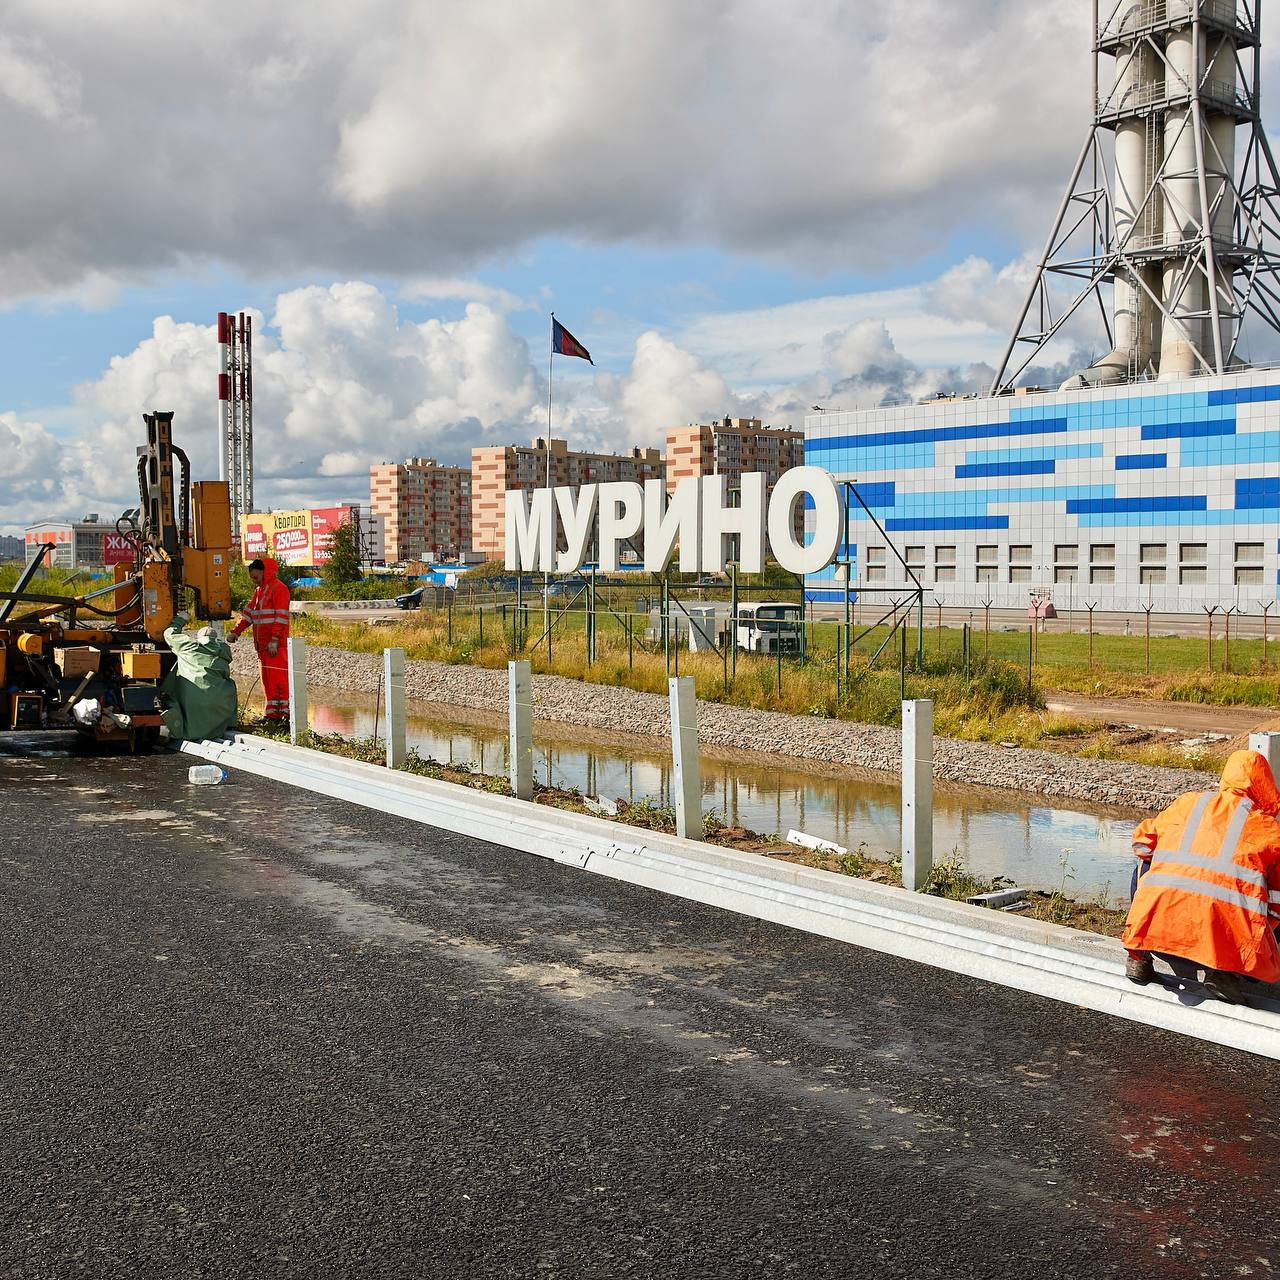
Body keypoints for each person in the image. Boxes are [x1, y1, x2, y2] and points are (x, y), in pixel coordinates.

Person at [1123, 749, 1280, 1003]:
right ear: (1265, 785)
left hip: (1158, 937)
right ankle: (1224, 974)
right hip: (1224, 951)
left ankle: (1137, 958)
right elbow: (1275, 905)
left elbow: (1141, 844)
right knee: (1266, 894)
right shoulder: (1268, 830)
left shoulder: (1188, 803)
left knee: (1146, 866)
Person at [228, 557, 292, 722]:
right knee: (268, 682)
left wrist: (275, 639)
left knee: (278, 681)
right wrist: (236, 632)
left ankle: (282, 715)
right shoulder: (259, 591)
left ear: (265, 572)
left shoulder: (279, 589)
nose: (254, 581)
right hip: (263, 645)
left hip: (275, 645)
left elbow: (281, 617)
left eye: (255, 577)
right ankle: (271, 715)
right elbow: (249, 614)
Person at [160, 614, 238, 741]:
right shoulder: (223, 654)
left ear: (199, 638)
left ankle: (187, 731)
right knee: (231, 684)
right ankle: (230, 724)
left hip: (192, 699)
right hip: (221, 701)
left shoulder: (189, 646)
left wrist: (181, 619)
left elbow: (169, 634)